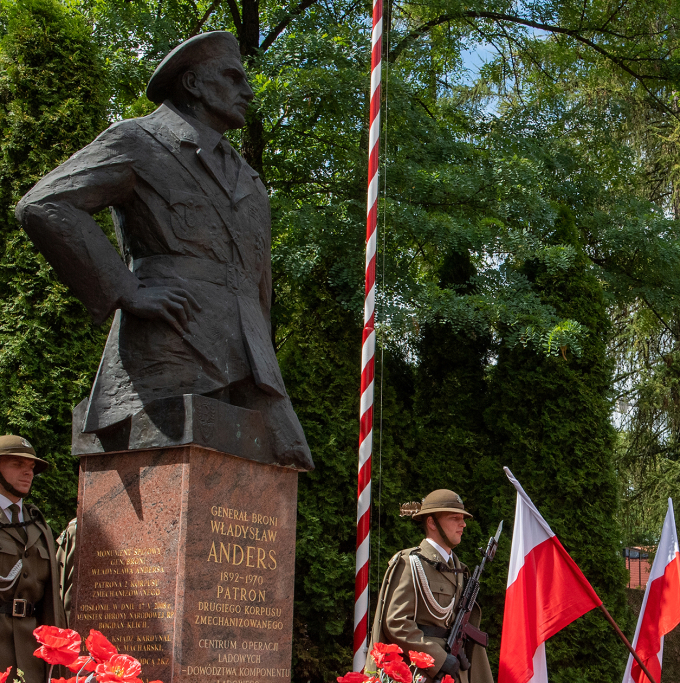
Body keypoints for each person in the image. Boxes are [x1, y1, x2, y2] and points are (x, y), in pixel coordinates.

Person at [15, 31, 312, 470]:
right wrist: (125, 289)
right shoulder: (138, 141)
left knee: (279, 458)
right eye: (232, 77)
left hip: (249, 363)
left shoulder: (249, 180)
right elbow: (45, 204)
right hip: (172, 342)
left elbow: (258, 283)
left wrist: (268, 378)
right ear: (192, 83)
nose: (247, 92)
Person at [367, 490, 493, 683]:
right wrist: (440, 659)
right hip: (424, 672)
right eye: (454, 518)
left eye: (463, 519)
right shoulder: (410, 563)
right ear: (432, 523)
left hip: (457, 671)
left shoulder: (459, 570)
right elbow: (396, 623)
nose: (463, 524)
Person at [0, 436, 67, 682]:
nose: (27, 473)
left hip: (33, 650)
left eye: (31, 469)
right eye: (17, 465)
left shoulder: (37, 524)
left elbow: (51, 598)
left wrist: (58, 653)